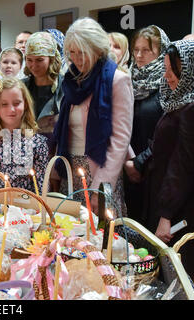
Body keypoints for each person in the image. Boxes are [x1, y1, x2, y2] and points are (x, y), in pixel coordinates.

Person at [53, 17, 134, 216]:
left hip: (100, 171)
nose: (76, 59)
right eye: (71, 52)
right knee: (69, 237)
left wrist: (101, 185)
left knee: (99, 237)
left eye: (82, 52)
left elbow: (120, 139)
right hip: (70, 171)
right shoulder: (72, 80)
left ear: (97, 49)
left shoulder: (117, 80)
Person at [143, 40, 194, 286]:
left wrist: (166, 215)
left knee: (178, 275)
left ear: (190, 70)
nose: (166, 75)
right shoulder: (178, 100)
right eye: (165, 67)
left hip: (179, 207)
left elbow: (183, 166)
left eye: (174, 69)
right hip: (164, 195)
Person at [124, 25, 170, 223]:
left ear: (161, 52)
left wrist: (139, 161)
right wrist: (128, 160)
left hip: (153, 167)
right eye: (136, 50)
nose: (139, 55)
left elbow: (167, 133)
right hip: (124, 164)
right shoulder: (126, 79)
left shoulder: (168, 83)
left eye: (147, 50)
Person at [0, 77, 49, 192]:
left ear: (26, 104)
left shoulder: (37, 143)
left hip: (26, 208)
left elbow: (41, 189)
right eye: (4, 104)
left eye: (17, 103)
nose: (11, 109)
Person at [22, 31, 63, 160]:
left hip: (56, 153)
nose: (33, 66)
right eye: (29, 60)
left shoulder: (65, 87)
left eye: (40, 60)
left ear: (51, 59)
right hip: (27, 153)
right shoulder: (21, 87)